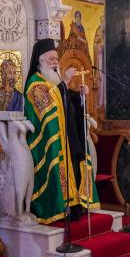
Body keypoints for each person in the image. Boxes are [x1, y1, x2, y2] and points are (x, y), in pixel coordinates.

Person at [24, 38, 98, 224]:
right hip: (51, 142)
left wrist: (80, 95)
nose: (55, 62)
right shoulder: (34, 84)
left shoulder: (52, 81)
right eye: (50, 59)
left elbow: (63, 100)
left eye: (56, 58)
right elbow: (49, 109)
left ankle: (74, 204)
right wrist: (64, 81)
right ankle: (58, 206)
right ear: (40, 61)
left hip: (67, 137)